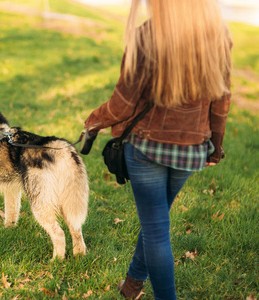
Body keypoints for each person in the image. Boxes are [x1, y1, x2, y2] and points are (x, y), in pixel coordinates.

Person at [84, 0, 232, 299]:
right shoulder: (218, 34)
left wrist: (94, 121)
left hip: (146, 149)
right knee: (157, 222)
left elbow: (122, 105)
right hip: (191, 150)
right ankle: (132, 286)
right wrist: (215, 148)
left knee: (155, 230)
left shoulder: (146, 36)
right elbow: (221, 103)